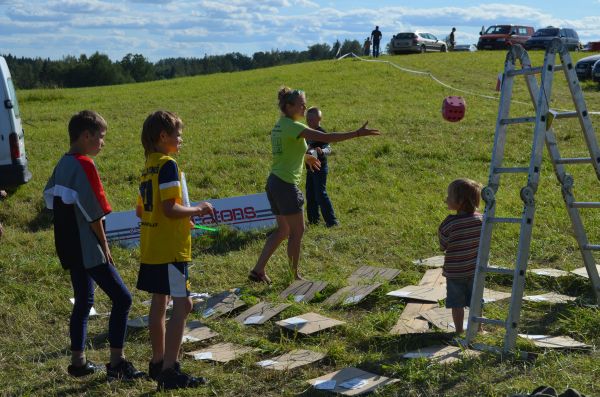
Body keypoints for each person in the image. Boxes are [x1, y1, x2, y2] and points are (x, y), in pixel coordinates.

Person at [43, 111, 145, 380]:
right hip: (88, 247)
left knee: (84, 301)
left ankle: (78, 363)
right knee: (123, 299)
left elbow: (48, 199)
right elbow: (95, 214)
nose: (103, 142)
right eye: (101, 137)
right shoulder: (84, 165)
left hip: (68, 246)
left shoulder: (61, 165)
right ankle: (117, 363)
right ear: (86, 136)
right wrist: (105, 246)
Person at [249, 87, 380, 283]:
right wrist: (357, 133)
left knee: (283, 231)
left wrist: (306, 157)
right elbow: (325, 138)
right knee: (297, 232)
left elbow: (287, 150)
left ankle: (258, 270)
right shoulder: (293, 126)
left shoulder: (281, 125)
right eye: (301, 103)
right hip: (285, 185)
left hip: (274, 182)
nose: (304, 106)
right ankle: (294, 276)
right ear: (289, 106)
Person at [136, 110, 214, 390]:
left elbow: (140, 210)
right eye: (178, 135)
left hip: (152, 247)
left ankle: (158, 362)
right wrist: (198, 208)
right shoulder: (168, 165)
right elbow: (170, 209)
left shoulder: (149, 166)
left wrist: (184, 217)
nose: (181, 140)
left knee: (161, 303)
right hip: (171, 251)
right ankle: (170, 370)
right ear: (163, 137)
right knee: (182, 304)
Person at [438, 178, 483, 334]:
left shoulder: (449, 223)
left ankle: (459, 331)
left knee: (457, 303)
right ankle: (479, 328)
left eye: (449, 196)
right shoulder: (482, 220)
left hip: (455, 272)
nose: (446, 199)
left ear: (461, 201)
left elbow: (442, 245)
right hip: (475, 269)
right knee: (476, 300)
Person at [305, 107, 338, 227]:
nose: (309, 122)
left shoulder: (321, 132)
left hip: (320, 168)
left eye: (312, 119)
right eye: (307, 119)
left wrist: (322, 151)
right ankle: (314, 220)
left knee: (320, 194)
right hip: (310, 168)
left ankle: (332, 221)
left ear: (319, 119)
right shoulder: (306, 133)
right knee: (310, 194)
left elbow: (329, 149)